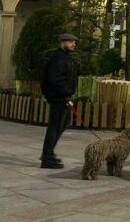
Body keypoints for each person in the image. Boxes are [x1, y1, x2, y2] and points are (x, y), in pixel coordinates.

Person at [40, 33, 79, 169]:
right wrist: (66, 93)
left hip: (63, 97)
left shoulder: (65, 57)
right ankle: (47, 157)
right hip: (59, 98)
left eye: (74, 42)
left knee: (64, 124)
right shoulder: (58, 58)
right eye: (71, 42)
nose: (74, 44)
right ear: (62, 43)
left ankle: (49, 153)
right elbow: (56, 80)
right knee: (54, 127)